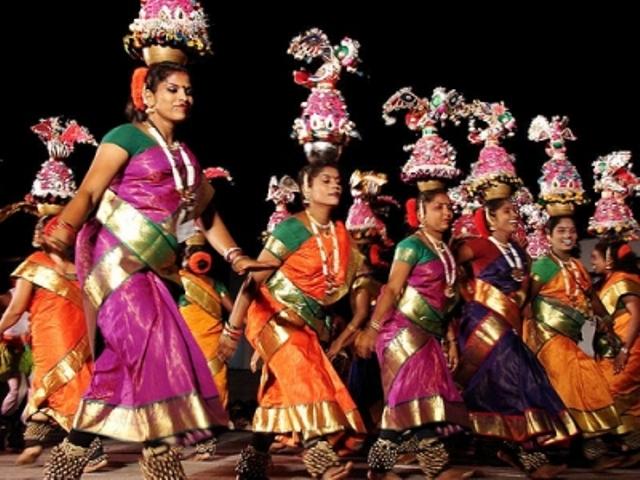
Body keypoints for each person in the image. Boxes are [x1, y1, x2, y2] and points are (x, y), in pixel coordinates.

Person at [41, 60, 264, 479]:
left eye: (188, 90)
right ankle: (159, 450)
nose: (184, 97)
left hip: (156, 272)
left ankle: (73, 451)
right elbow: (90, 191)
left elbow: (205, 217)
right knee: (154, 342)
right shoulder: (125, 136)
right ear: (148, 97)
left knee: (120, 363)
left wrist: (236, 256)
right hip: (115, 263)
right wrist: (65, 227)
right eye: (173, 90)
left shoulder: (188, 158)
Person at [219, 160, 366, 480]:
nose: (335, 184)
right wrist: (232, 329)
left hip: (307, 325)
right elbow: (254, 280)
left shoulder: (340, 234)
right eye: (325, 180)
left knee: (281, 393)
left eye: (337, 180)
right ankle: (320, 459)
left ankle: (252, 464)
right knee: (305, 376)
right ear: (307, 190)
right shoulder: (292, 229)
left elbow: (351, 282)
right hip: (272, 316)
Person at [356, 187, 470, 480]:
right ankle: (433, 467)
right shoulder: (411, 245)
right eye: (438, 207)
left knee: (416, 400)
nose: (447, 212)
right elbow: (392, 289)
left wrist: (451, 340)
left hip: (429, 334)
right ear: (420, 213)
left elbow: (447, 302)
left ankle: (384, 469)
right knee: (411, 398)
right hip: (401, 332)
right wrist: (372, 329)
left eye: (449, 207)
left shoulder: (446, 251)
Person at [0, 217, 96, 466]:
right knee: (70, 387)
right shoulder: (82, 267)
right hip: (81, 338)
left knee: (50, 388)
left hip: (50, 338)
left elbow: (15, 310)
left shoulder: (34, 264)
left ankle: (92, 453)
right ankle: (34, 442)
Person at [527, 216, 621, 464]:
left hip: (574, 338)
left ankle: (585, 449)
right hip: (549, 338)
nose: (567, 235)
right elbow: (526, 301)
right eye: (561, 231)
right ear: (549, 236)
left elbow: (590, 297)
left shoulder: (577, 265)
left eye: (571, 231)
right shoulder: (543, 266)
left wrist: (606, 319)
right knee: (570, 385)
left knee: (586, 382)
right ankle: (571, 449)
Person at [178, 230, 234, 460]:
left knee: (213, 388)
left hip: (212, 344)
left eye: (201, 252)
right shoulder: (180, 282)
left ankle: (206, 439)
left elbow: (234, 310)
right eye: (193, 252)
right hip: (185, 344)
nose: (198, 257)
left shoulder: (216, 285)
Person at [592, 241, 640, 464]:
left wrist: (624, 350)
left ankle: (605, 448)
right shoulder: (611, 281)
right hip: (616, 347)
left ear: (609, 260)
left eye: (596, 257)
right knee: (627, 401)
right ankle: (633, 448)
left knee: (611, 390)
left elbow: (636, 315)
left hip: (631, 347)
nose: (592, 262)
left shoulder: (623, 280)